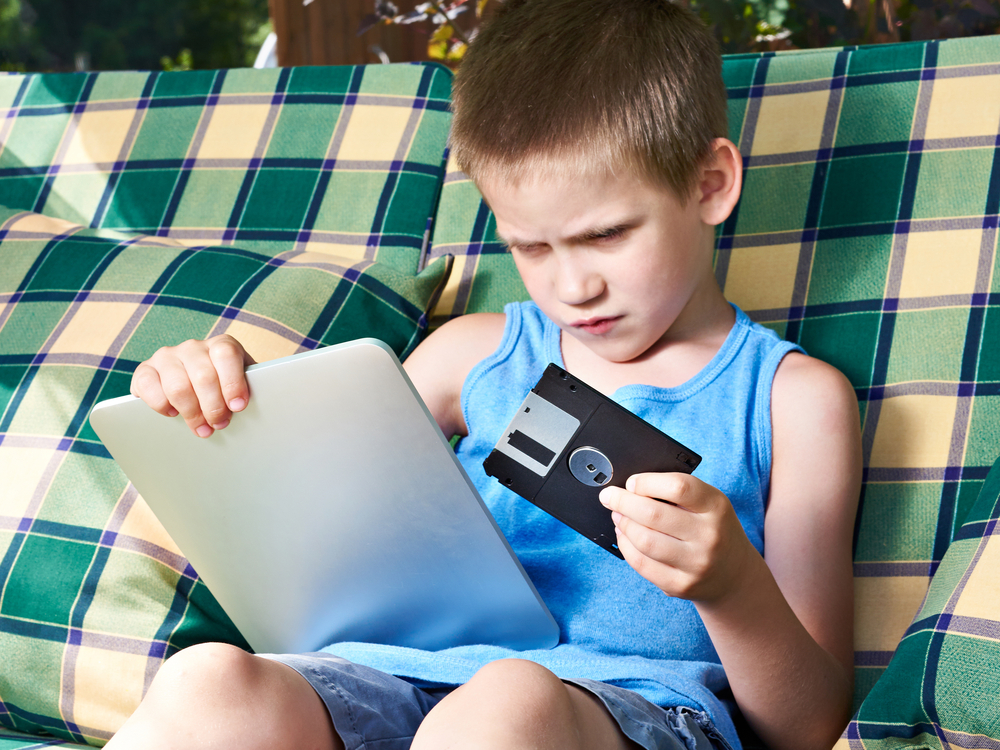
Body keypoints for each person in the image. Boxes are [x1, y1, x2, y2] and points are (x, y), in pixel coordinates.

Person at [106, 1, 862, 749]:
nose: (572, 287)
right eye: (531, 248)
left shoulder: (794, 402)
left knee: (507, 704)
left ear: (708, 185)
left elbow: (810, 726)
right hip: (397, 682)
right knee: (206, 682)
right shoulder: (470, 354)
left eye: (606, 234)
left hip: (630, 710)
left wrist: (732, 588)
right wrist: (225, 402)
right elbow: (309, 520)